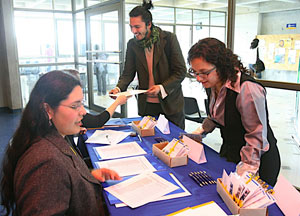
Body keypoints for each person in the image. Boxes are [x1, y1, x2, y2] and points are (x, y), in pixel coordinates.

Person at [0, 71, 121, 216]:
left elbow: (62, 179)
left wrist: (87, 177)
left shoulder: (51, 138)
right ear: (47, 110)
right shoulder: (45, 163)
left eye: (82, 103)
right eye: (75, 106)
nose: (83, 112)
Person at [188, 38, 280, 186]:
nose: (199, 78)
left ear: (221, 66)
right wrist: (198, 133)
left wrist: (246, 172)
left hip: (257, 161)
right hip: (231, 153)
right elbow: (215, 116)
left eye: (204, 72)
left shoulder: (247, 88)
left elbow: (256, 136)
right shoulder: (213, 83)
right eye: (195, 72)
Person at [109, 0, 186, 129]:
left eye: (137, 27)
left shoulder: (169, 38)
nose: (134, 31)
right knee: (148, 142)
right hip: (147, 105)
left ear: (149, 24)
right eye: (131, 27)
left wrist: (161, 88)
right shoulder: (132, 44)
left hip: (170, 105)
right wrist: (118, 88)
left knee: (173, 143)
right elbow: (128, 72)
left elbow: (180, 71)